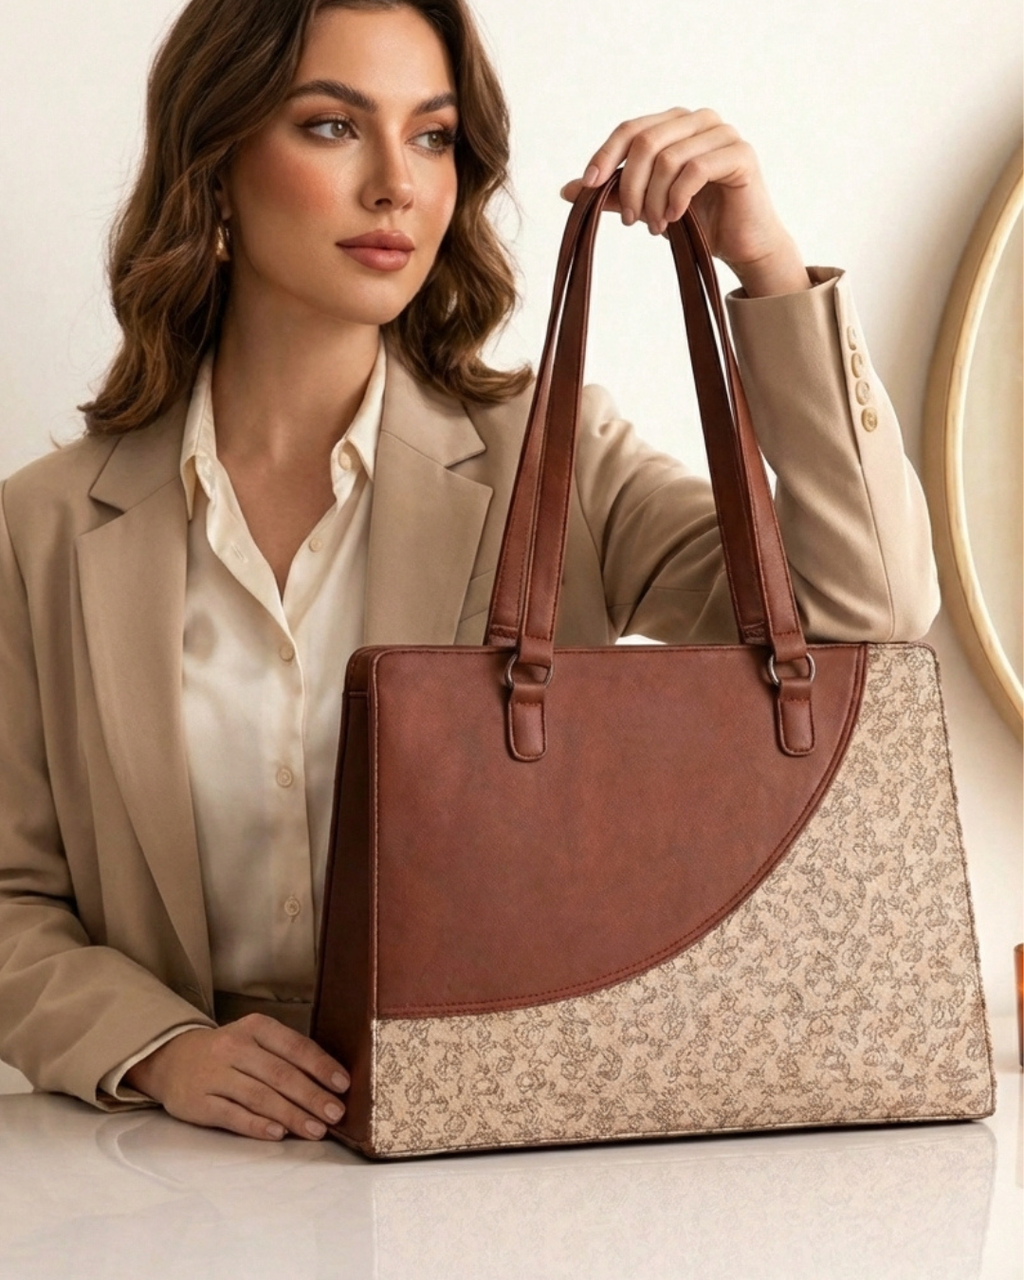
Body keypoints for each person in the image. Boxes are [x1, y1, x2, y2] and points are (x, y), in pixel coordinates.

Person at [0, 0, 938, 1147]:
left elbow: (868, 610)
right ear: (214, 174)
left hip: (506, 1153)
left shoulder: (558, 464)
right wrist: (161, 1049)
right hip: (178, 1169)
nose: (398, 183)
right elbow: (10, 901)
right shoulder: (43, 529)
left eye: (433, 135)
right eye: (333, 127)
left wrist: (766, 267)